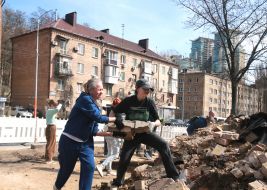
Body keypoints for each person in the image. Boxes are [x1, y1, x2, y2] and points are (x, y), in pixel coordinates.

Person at [111, 79, 180, 187]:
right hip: (132, 135)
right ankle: (118, 181)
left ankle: (174, 176)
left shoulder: (149, 102)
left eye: (149, 90)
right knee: (124, 157)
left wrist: (153, 124)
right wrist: (118, 119)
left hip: (145, 133)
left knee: (163, 145)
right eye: (145, 89)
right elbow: (115, 110)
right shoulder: (129, 101)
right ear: (138, 89)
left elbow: (158, 120)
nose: (148, 91)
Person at [53, 78, 118, 190]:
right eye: (100, 89)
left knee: (89, 167)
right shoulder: (84, 100)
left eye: (103, 89)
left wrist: (113, 134)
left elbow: (94, 131)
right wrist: (116, 119)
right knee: (66, 169)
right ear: (91, 90)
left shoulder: (95, 105)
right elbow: (98, 118)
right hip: (70, 141)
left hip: (85, 143)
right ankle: (57, 187)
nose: (102, 92)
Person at [96, 97, 123, 177]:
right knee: (115, 154)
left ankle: (109, 170)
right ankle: (102, 166)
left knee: (110, 152)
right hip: (112, 132)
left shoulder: (110, 109)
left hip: (107, 130)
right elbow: (118, 123)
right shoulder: (117, 111)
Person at [44, 99, 62, 163]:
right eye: (54, 105)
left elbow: (56, 110)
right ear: (51, 105)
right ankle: (49, 159)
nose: (55, 106)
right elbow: (57, 109)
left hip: (49, 127)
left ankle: (48, 158)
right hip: (51, 127)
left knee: (49, 142)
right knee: (51, 143)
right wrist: (60, 104)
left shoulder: (49, 110)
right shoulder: (50, 110)